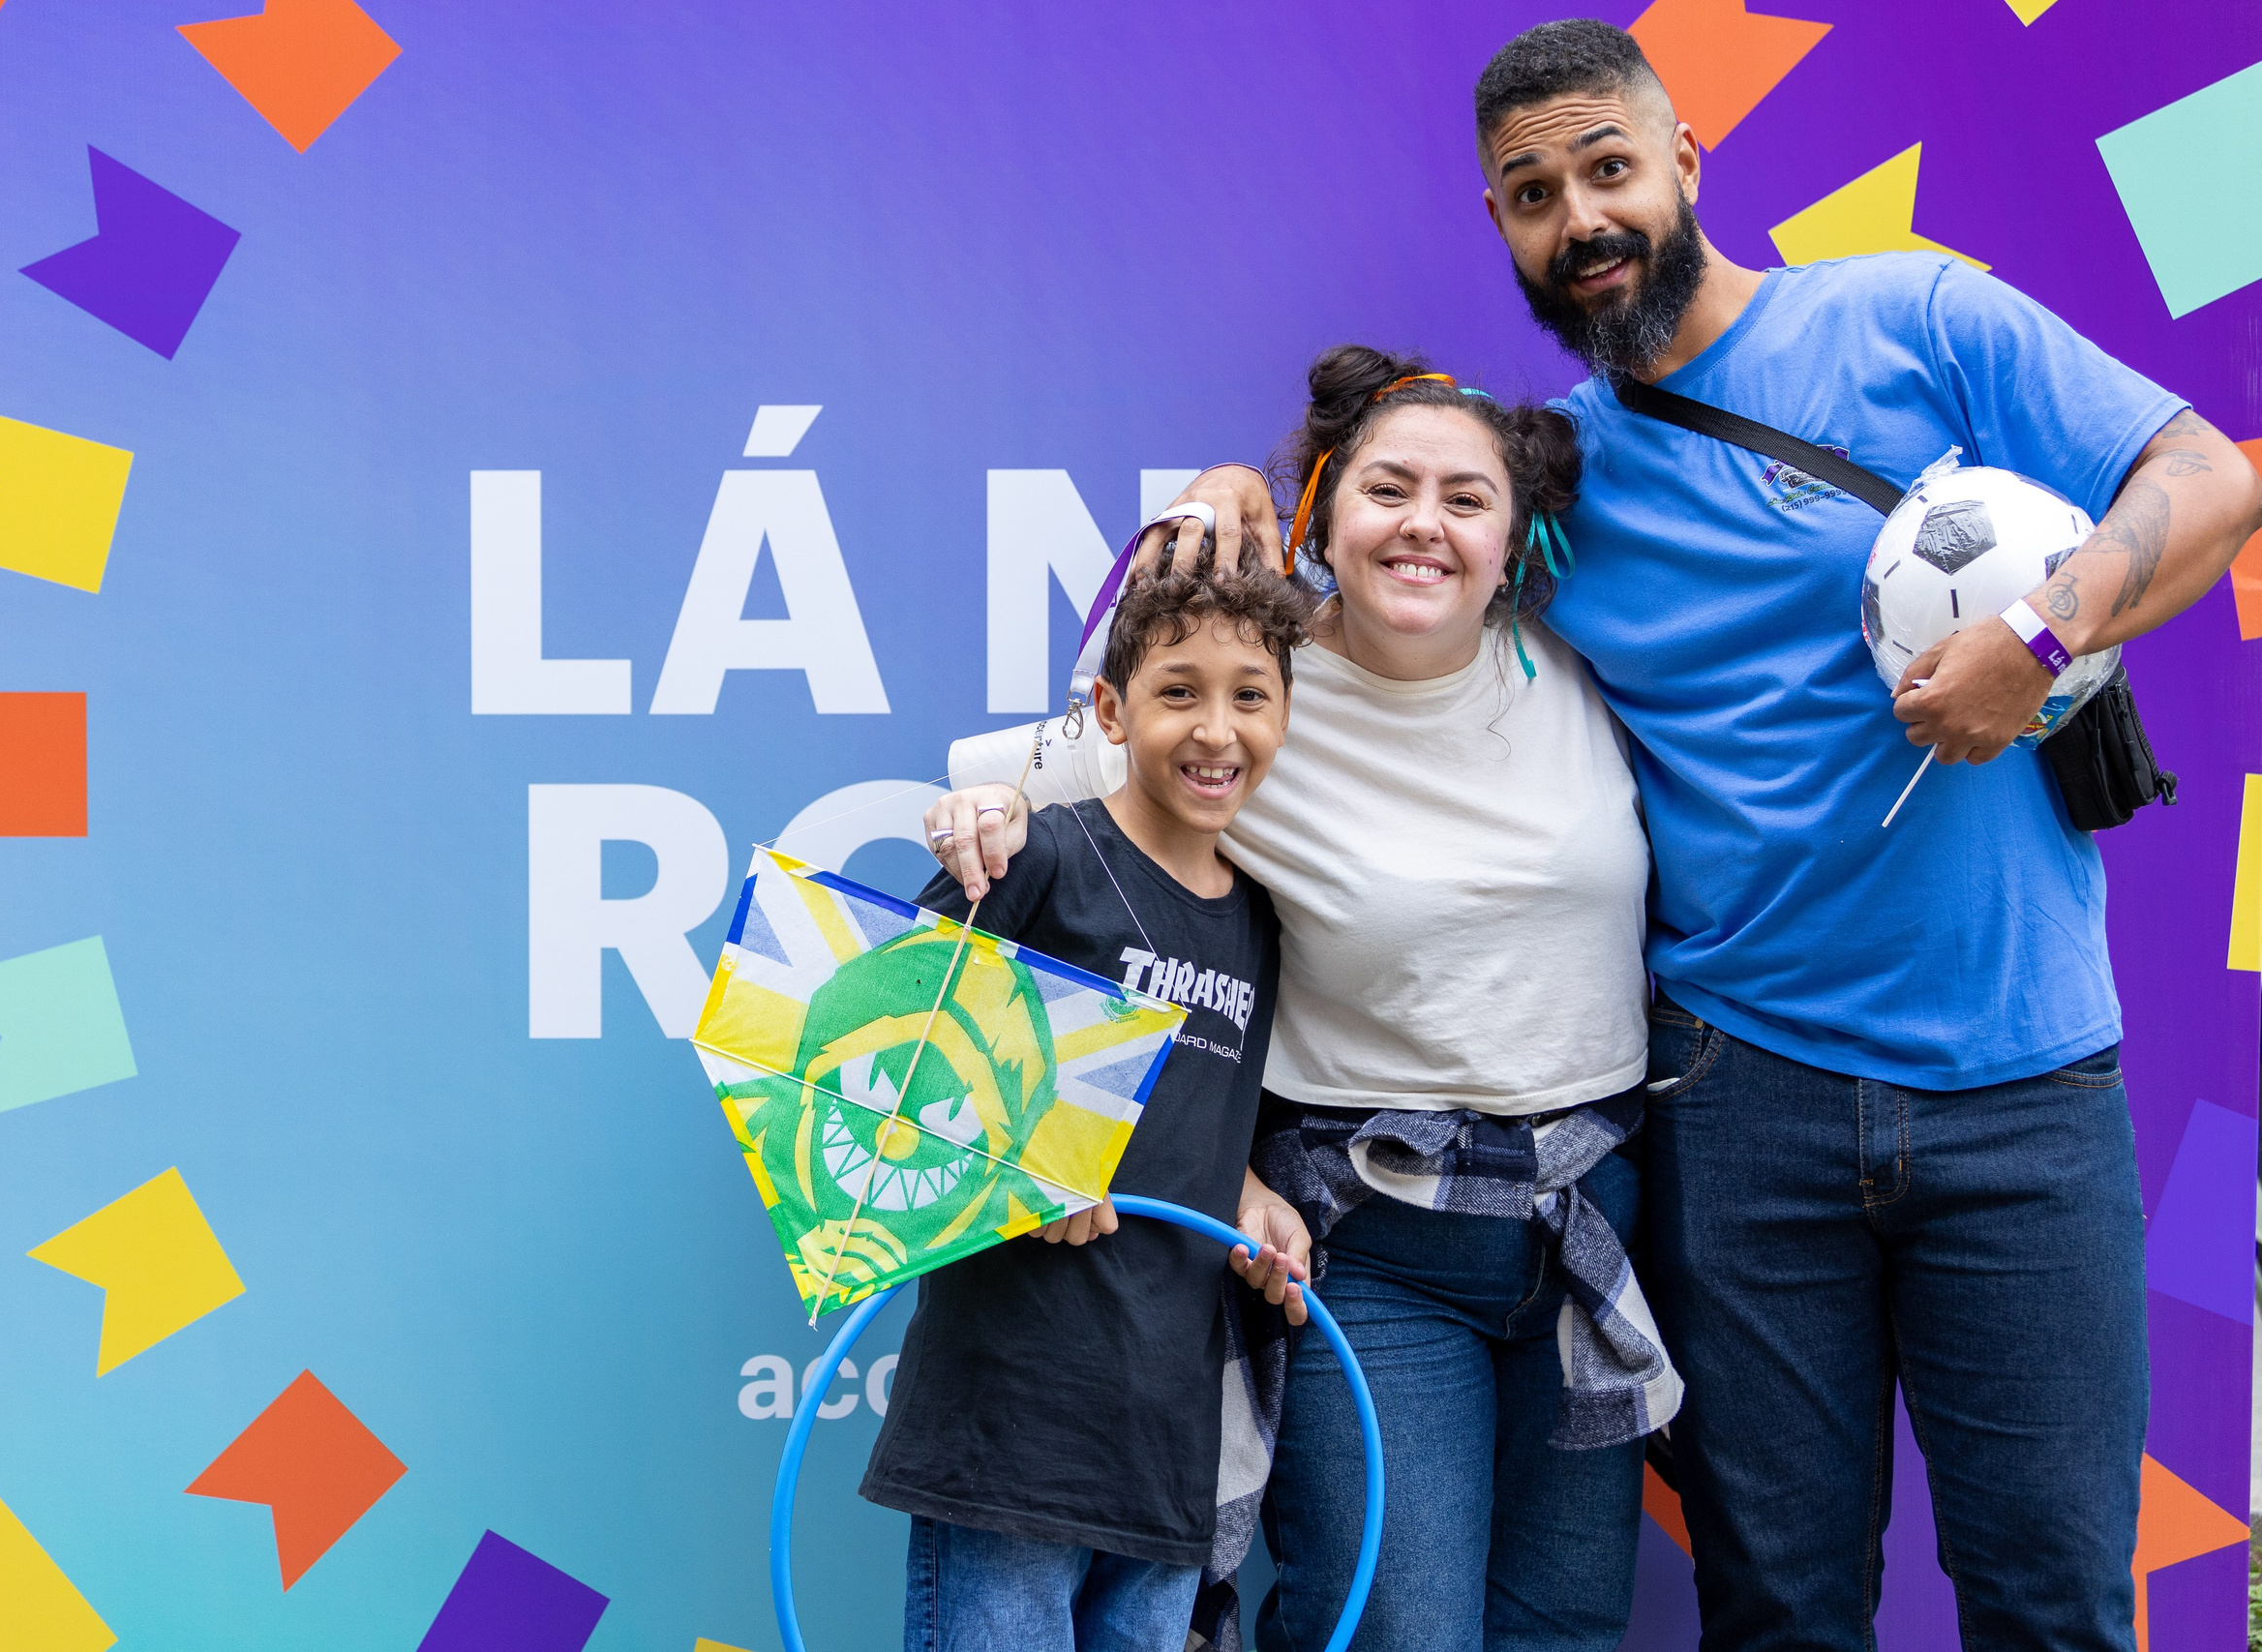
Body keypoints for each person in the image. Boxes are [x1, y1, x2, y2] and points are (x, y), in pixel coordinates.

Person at [1016, 20, 2262, 1652]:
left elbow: (2209, 478)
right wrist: (1230, 493)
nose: (1583, 218)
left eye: (1609, 168)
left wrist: (2037, 640)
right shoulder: (1548, 489)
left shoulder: (1917, 316)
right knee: (1780, 1607)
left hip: (2024, 1090)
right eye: (1534, 195)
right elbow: (1332, 586)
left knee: (2054, 1605)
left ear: (1686, 162)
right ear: (1503, 226)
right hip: (1740, 1111)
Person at [928, 349, 1679, 1652]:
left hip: (1583, 1218)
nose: (1425, 523)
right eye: (1388, 488)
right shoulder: (1248, 689)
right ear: (1321, 517)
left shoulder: (1581, 663)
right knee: (1400, 1627)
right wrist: (987, 807)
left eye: (1466, 497)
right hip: (1377, 1233)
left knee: (1564, 1622)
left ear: (1518, 538)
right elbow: (1028, 804)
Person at [861, 562, 1312, 1652]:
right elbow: (864, 1056)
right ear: (1108, 709)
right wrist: (1016, 1163)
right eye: (1176, 692)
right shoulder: (1039, 859)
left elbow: (1204, 1130)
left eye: (1250, 694)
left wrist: (1255, 1205)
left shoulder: (1259, 922)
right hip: (1010, 1430)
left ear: (1287, 714)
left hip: (1163, 1449)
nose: (1216, 730)